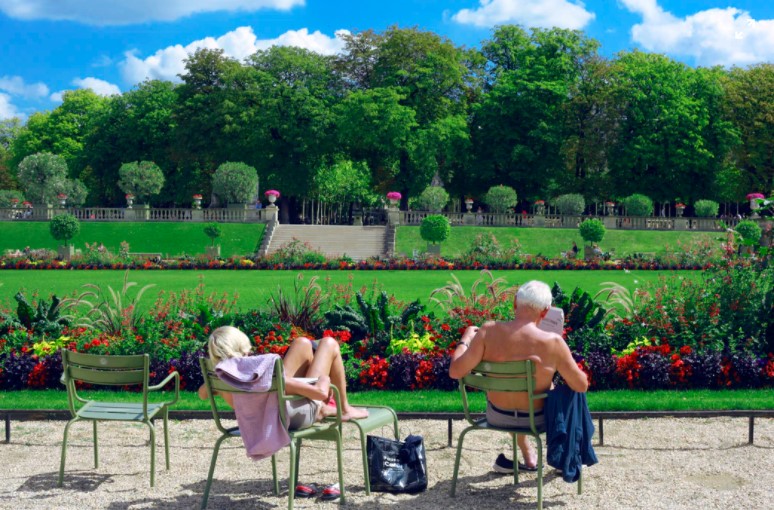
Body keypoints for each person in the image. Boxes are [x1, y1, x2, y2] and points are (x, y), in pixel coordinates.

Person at [449, 280, 588, 473]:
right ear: (546, 312)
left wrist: (465, 340)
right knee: (569, 393)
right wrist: (560, 357)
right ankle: (566, 457)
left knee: (518, 388)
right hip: (536, 420)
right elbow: (581, 385)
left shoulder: (488, 331)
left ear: (515, 303)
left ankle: (529, 455)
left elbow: (455, 371)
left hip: (497, 415)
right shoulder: (553, 342)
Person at [198, 326, 368, 428]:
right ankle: (344, 408)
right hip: (288, 416)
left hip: (273, 412)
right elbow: (319, 392)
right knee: (329, 344)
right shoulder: (254, 372)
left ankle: (326, 409)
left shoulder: (223, 377)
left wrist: (215, 380)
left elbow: (202, 394)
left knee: (302, 343)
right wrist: (325, 381)